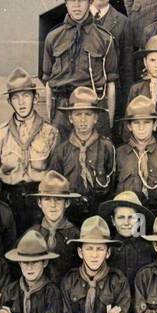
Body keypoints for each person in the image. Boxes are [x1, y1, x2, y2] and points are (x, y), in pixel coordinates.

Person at [42, 0, 118, 139]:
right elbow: (48, 84)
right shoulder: (53, 38)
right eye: (71, 0)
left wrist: (108, 123)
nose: (76, 5)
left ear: (90, 1)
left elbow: (110, 86)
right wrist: (51, 118)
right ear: (65, 2)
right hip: (62, 110)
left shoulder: (105, 39)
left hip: (93, 109)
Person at [0, 67, 59, 233]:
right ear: (9, 102)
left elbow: (55, 172)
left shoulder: (50, 132)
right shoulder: (0, 134)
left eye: (26, 96)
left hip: (38, 202)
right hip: (9, 201)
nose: (21, 102)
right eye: (15, 97)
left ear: (35, 98)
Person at [49, 87, 116, 219]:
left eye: (88, 114)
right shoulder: (62, 150)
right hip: (69, 213)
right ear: (70, 118)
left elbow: (112, 184)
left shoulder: (106, 147)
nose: (83, 120)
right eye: (78, 115)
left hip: (99, 212)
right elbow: (54, 186)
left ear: (96, 118)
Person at [115, 95, 157, 212]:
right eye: (136, 123)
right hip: (128, 218)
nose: (141, 128)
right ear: (129, 126)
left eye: (147, 122)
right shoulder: (119, 154)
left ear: (154, 125)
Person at [89, 0, 135, 116]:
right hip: (83, 94)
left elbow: (127, 67)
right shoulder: (79, 17)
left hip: (111, 94)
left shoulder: (123, 22)